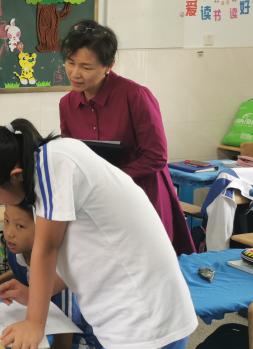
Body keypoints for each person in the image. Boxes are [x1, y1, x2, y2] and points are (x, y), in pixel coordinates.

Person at [0, 119, 197, 349]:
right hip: (122, 322)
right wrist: (35, 294)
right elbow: (88, 254)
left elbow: (46, 248)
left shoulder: (53, 164)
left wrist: (34, 323)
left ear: (15, 175)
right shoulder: (48, 167)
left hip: (144, 326)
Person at [59, 21, 195, 255]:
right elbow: (72, 156)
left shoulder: (135, 95)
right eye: (70, 63)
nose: (75, 73)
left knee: (146, 259)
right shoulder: (67, 104)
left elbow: (156, 156)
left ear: (108, 66)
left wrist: (111, 177)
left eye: (86, 67)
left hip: (142, 195)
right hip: (98, 199)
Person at [0, 203, 95, 349]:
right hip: (37, 328)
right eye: (6, 220)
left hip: (74, 340)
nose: (9, 232)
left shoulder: (60, 272)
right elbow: (22, 270)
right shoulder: (18, 250)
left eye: (20, 225)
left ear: (46, 230)